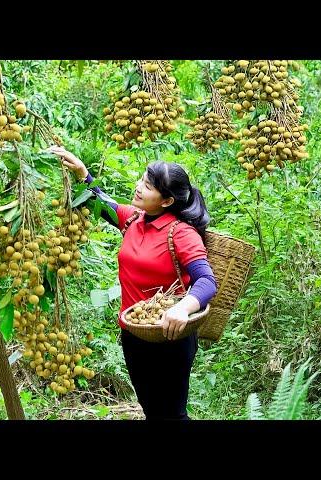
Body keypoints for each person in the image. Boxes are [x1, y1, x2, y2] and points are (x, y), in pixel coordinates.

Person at [48, 145, 218, 420]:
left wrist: (182, 308)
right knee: (152, 410)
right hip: (134, 334)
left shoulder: (181, 233)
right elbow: (103, 205)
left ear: (166, 201)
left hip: (170, 336)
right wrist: (82, 172)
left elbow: (207, 281)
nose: (139, 187)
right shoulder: (133, 219)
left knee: (172, 414)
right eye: (142, 179)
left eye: (148, 186)